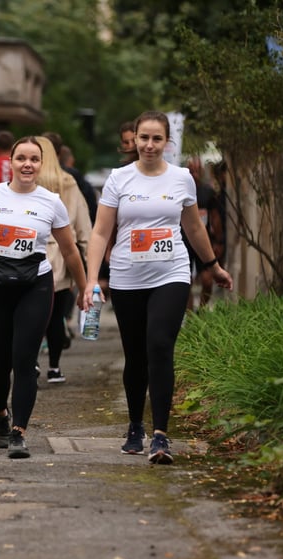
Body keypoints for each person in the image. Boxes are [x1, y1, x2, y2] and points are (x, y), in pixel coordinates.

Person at [82, 111, 233, 465]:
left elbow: (194, 228)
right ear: (133, 140)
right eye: (143, 138)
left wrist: (212, 265)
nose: (149, 145)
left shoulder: (182, 178)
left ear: (167, 142)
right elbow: (101, 232)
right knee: (135, 354)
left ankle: (161, 435)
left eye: (157, 139)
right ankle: (136, 425)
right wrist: (91, 280)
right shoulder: (119, 179)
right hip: (126, 276)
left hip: (172, 272)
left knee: (160, 345)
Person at [0, 136, 87, 459]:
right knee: (0, 364)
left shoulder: (51, 201)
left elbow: (70, 249)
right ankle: (1, 417)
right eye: (21, 158)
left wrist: (85, 287)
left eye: (34, 159)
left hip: (36, 285)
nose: (27, 164)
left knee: (25, 360)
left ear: (41, 163)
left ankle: (19, 432)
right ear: (11, 162)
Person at [37, 136, 91, 384]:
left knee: (33, 314)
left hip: (32, 254)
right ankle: (55, 367)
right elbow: (83, 224)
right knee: (57, 315)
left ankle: (33, 362)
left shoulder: (27, 183)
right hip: (62, 255)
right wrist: (89, 259)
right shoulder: (68, 183)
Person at [183, 156, 224, 310]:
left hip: (202, 241)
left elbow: (215, 218)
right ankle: (191, 316)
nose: (193, 175)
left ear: (200, 172)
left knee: (207, 280)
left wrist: (219, 241)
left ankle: (201, 310)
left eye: (196, 171)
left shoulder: (207, 192)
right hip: (183, 242)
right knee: (186, 282)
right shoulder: (180, 192)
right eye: (190, 171)